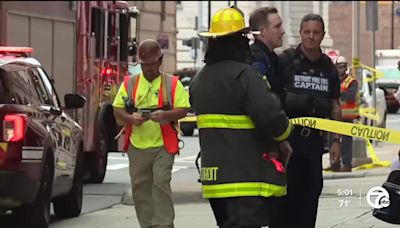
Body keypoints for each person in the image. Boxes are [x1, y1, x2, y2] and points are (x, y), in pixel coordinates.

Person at [190, 6, 293, 228]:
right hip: (245, 179)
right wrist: (285, 134)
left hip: (214, 181)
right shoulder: (244, 76)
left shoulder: (199, 80)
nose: (248, 43)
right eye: (244, 38)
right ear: (238, 41)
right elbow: (271, 117)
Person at [270, 14, 342, 228]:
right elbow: (271, 101)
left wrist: (336, 140)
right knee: (283, 203)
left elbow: (334, 105)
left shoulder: (328, 66)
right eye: (306, 32)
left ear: (323, 35)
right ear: (300, 33)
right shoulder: (284, 61)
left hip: (313, 145)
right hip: (286, 143)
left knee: (310, 198)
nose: (311, 37)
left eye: (316, 32)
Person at [112, 39, 190, 228]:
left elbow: (183, 110)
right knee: (140, 189)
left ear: (160, 60)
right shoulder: (130, 84)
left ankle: (163, 225)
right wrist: (131, 119)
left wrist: (165, 115)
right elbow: (117, 109)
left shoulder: (172, 83)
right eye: (144, 64)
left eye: (151, 64)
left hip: (163, 144)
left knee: (161, 182)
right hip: (137, 145)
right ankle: (147, 225)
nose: (148, 68)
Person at [249, 6, 285, 96]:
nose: (283, 31)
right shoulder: (253, 58)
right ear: (262, 31)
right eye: (277, 27)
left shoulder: (273, 58)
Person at [332, 56, 358, 172]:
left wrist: (339, 92)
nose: (340, 69)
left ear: (345, 67)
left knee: (346, 142)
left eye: (342, 67)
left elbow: (350, 97)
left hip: (347, 116)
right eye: (338, 67)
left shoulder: (351, 82)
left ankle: (347, 164)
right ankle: (334, 163)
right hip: (335, 117)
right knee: (333, 141)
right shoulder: (334, 80)